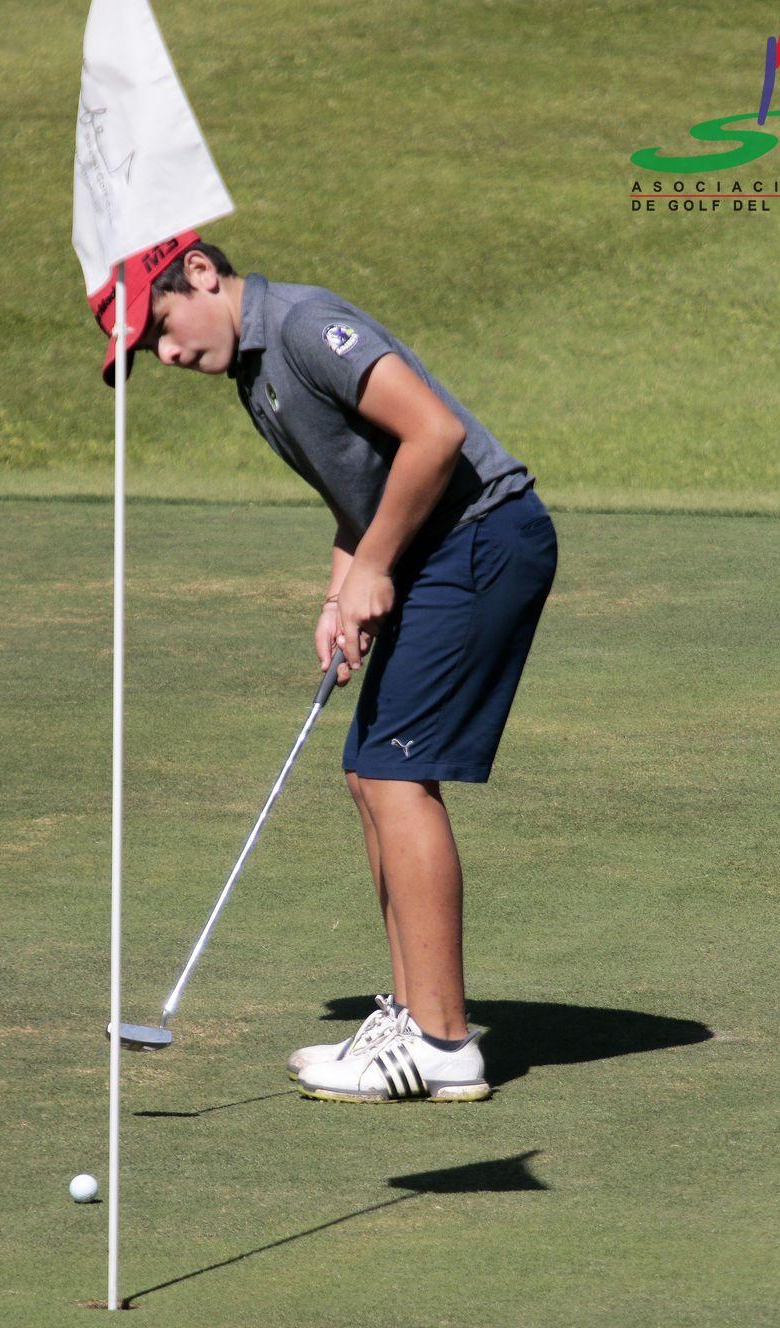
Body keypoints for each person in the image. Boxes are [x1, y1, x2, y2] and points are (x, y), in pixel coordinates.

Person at [87, 232, 557, 1102]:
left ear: (200, 273)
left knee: (394, 777)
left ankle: (442, 1041)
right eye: (149, 349)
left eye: (160, 328)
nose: (167, 354)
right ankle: (412, 1018)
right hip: (436, 551)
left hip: (480, 539)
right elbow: (361, 492)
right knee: (366, 772)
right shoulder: (254, 374)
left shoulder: (303, 328)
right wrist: (341, 593)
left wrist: (374, 567)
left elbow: (434, 434)